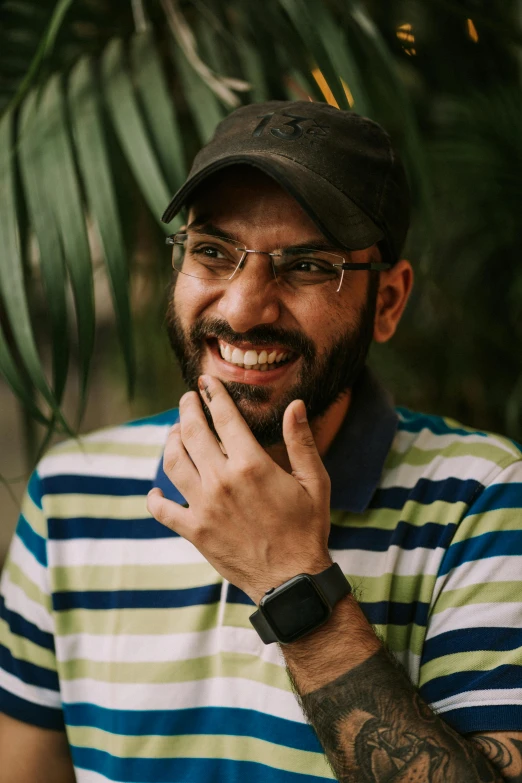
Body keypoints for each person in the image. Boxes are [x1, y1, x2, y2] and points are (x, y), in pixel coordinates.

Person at [1, 100, 521, 783]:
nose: (244, 308)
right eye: (213, 252)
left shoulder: (482, 500)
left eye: (307, 266)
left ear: (387, 302)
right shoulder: (71, 492)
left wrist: (291, 582)